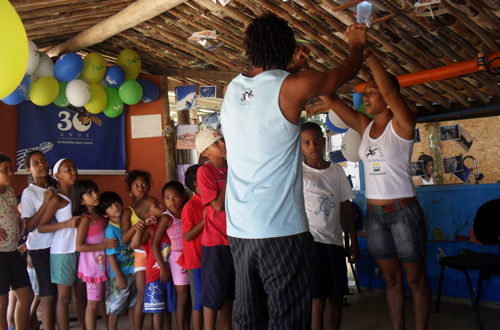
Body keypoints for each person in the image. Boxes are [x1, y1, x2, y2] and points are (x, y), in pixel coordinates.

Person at [220, 13, 367, 328]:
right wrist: (356, 45)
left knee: (248, 317)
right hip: (281, 229)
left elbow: (264, 90)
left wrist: (291, 67)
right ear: (286, 49)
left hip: (239, 230)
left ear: (250, 48)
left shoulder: (231, 89)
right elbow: (346, 71)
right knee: (287, 318)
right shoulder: (294, 86)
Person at [320, 51, 430, 329]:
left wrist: (366, 53)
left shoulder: (403, 122)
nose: (366, 96)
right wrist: (304, 74)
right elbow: (331, 99)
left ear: (386, 94)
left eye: (371, 91)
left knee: (415, 281)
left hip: (404, 213)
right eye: (365, 92)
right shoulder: (364, 126)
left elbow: (392, 90)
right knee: (390, 280)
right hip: (375, 216)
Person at [300, 122, 359, 330]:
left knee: (336, 295)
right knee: (317, 298)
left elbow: (346, 205)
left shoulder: (336, 171)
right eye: (306, 143)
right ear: (300, 146)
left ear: (324, 142)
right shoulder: (299, 172)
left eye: (316, 141)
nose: (313, 146)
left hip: (334, 241)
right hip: (311, 243)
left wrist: (353, 239)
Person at [38, 158, 86, 330]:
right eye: (68, 169)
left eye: (74, 168)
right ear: (58, 176)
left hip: (81, 250)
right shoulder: (56, 200)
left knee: (81, 296)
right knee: (64, 298)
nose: (73, 172)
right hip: (62, 252)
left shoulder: (80, 197)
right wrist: (66, 224)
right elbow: (42, 227)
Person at [195, 128, 234, 330]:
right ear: (205, 152)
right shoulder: (205, 171)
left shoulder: (233, 166)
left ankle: (227, 327)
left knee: (229, 291)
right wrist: (229, 180)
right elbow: (217, 206)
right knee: (213, 293)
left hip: (236, 239)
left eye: (222, 140)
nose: (222, 145)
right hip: (216, 241)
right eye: (216, 143)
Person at [73, 179, 117, 330]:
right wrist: (104, 245)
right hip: (93, 267)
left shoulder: (101, 215)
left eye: (96, 191)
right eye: (89, 193)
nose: (95, 195)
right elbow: (79, 246)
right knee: (92, 305)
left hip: (104, 265)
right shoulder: (86, 219)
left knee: (103, 301)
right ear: (81, 200)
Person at [20, 151, 57, 330]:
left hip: (58, 247)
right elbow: (29, 225)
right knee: (48, 295)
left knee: (58, 294)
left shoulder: (55, 188)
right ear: (28, 169)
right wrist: (46, 203)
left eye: (43, 161)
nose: (41, 165)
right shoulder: (30, 192)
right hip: (41, 249)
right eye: (35, 163)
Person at [0, 154, 34, 330]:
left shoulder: (10, 192)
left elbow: (15, 215)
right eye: (5, 170)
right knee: (2, 301)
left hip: (13, 252)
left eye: (11, 169)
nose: (10, 173)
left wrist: (21, 223)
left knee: (26, 295)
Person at [131, 196, 175, 330]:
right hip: (155, 275)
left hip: (169, 272)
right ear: (147, 215)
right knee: (157, 310)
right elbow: (134, 244)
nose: (161, 205)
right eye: (156, 205)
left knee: (167, 308)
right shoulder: (150, 229)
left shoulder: (166, 223)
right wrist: (142, 226)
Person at [152, 181, 190, 330]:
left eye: (175, 196)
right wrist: (163, 267)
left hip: (190, 256)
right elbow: (154, 244)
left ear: (183, 197)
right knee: (182, 298)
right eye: (167, 198)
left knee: (189, 298)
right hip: (177, 259)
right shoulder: (167, 218)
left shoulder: (187, 212)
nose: (171, 201)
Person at [99, 192, 136, 330]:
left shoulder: (129, 223)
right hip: (118, 275)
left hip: (133, 270)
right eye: (109, 206)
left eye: (116, 202)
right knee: (115, 307)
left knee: (133, 304)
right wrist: (119, 276)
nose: (115, 206)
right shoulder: (110, 230)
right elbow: (111, 256)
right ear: (105, 214)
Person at [120, 170, 152, 330]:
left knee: (155, 293)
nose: (141, 189)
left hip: (156, 255)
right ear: (130, 191)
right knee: (142, 295)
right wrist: (136, 228)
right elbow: (124, 238)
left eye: (144, 184)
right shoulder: (129, 211)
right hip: (137, 257)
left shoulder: (155, 208)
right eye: (136, 186)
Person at [177, 165, 204, 330]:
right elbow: (187, 235)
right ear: (195, 183)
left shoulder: (211, 201)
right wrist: (204, 220)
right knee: (199, 302)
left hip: (210, 257)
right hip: (196, 261)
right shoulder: (190, 206)